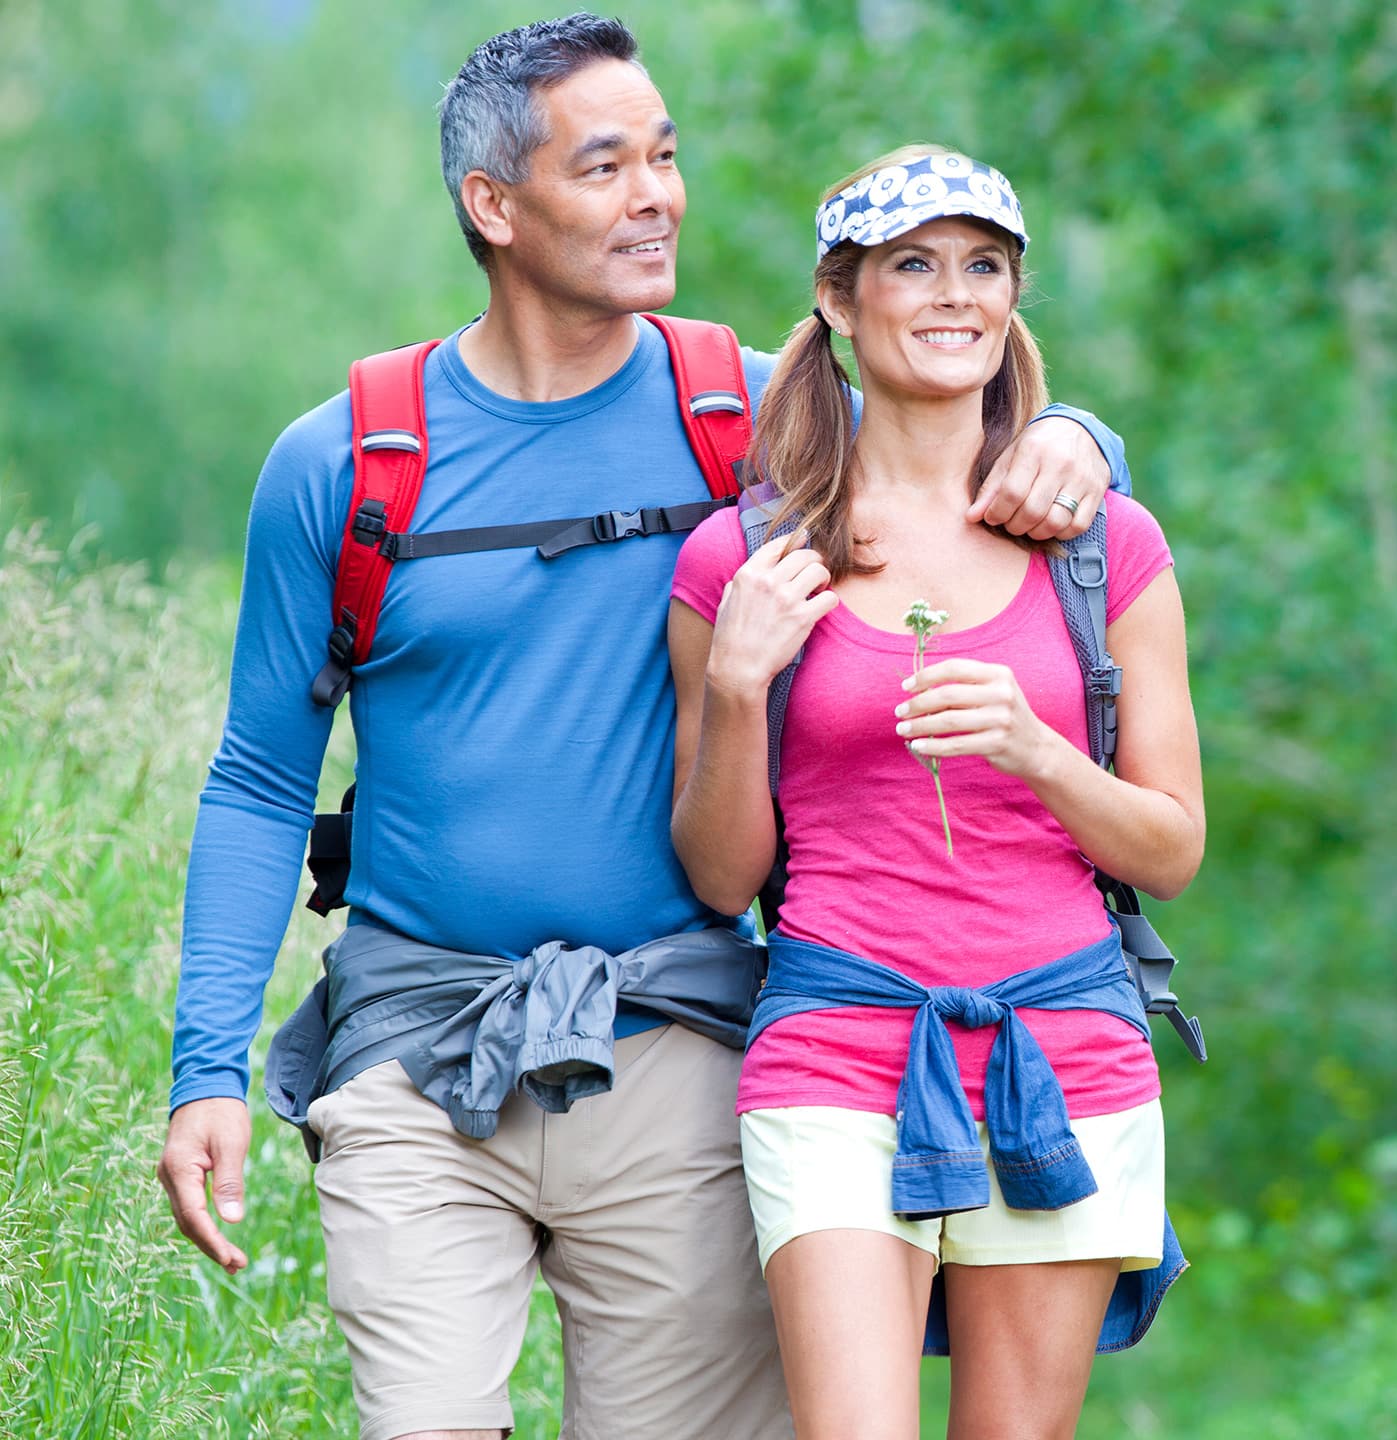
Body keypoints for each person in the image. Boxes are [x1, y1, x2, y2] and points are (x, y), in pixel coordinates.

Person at [153, 18, 1131, 1440]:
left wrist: (1083, 439)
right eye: (606, 166)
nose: (657, 196)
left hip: (683, 1050)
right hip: (417, 1053)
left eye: (665, 158)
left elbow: (951, 400)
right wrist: (206, 1073)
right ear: (495, 204)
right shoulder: (349, 460)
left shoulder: (748, 418)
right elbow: (257, 781)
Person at [667, 144, 1205, 1440]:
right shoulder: (745, 557)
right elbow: (722, 877)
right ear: (839, 300)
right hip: (834, 1046)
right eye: (913, 265)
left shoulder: (1106, 547)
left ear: (1014, 298)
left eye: (983, 266)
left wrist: (1038, 751)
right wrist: (737, 684)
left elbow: (1173, 847)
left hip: (1064, 1049)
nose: (954, 294)